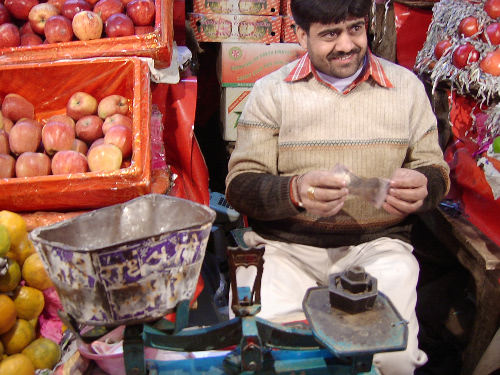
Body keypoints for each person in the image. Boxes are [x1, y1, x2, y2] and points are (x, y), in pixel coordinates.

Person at [224, 0, 450, 373]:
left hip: (377, 250)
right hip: (285, 252)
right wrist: (294, 192)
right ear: (300, 35)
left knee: (392, 355)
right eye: (329, 34)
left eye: (355, 29)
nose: (346, 45)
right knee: (278, 351)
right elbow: (240, 187)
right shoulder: (270, 92)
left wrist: (425, 185)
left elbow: (435, 168)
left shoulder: (406, 88)